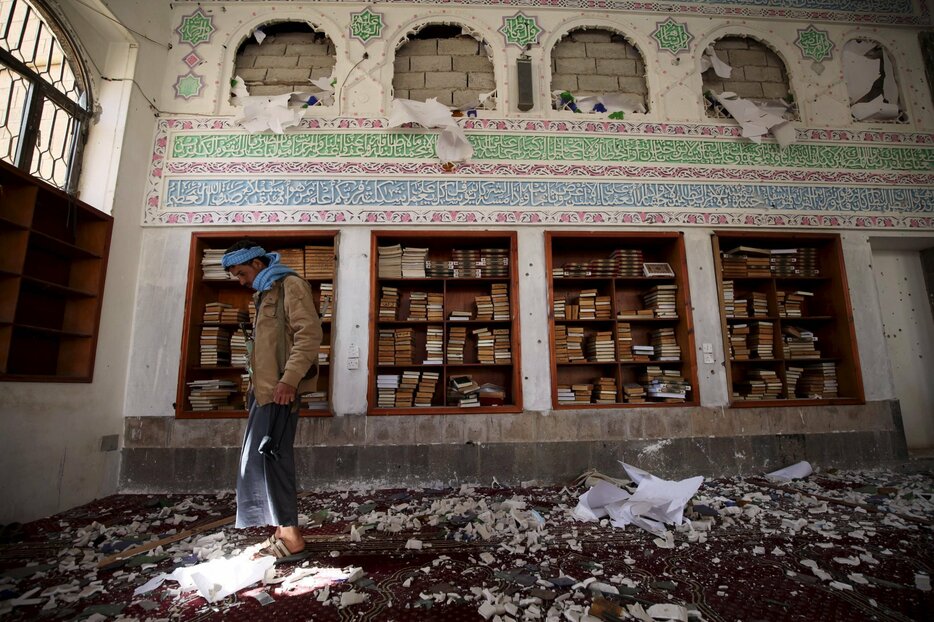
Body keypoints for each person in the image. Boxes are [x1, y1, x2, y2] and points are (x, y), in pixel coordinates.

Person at [222, 240, 322, 564]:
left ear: (257, 264)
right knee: (259, 463)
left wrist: (288, 380)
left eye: (241, 273)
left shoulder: (290, 285)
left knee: (275, 462)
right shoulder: (265, 292)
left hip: (281, 391)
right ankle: (282, 531)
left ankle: (292, 537)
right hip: (264, 391)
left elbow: (309, 336)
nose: (240, 281)